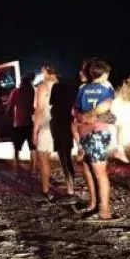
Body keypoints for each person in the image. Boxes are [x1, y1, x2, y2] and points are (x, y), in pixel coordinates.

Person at [72, 59, 119, 220]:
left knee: (94, 171)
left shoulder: (83, 88)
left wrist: (83, 117)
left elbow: (76, 110)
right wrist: (93, 115)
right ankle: (104, 211)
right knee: (101, 174)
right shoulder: (106, 87)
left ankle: (98, 206)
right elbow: (108, 105)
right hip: (98, 132)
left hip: (85, 132)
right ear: (105, 74)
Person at [48, 71, 78, 199]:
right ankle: (71, 181)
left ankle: (70, 187)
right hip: (69, 122)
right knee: (68, 154)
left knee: (62, 156)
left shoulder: (56, 87)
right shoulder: (72, 89)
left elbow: (51, 101)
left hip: (58, 122)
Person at [32, 66, 58, 200]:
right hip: (59, 125)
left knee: (43, 158)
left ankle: (45, 191)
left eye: (42, 71)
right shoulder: (60, 86)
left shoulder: (43, 86)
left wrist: (35, 130)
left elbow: (40, 109)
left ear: (46, 72)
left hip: (46, 125)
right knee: (50, 157)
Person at [9, 73, 36, 172]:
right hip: (29, 122)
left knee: (16, 147)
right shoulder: (32, 91)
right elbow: (33, 107)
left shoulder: (15, 91)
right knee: (32, 147)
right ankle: (34, 167)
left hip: (18, 123)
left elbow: (10, 105)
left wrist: (8, 117)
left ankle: (17, 167)